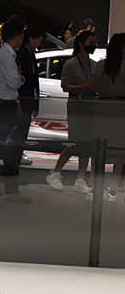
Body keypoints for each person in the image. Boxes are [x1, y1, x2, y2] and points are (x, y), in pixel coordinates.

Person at [45, 29, 99, 193]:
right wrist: (84, 87)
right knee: (74, 141)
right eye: (91, 43)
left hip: (91, 106)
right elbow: (65, 86)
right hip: (76, 106)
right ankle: (55, 172)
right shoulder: (70, 64)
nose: (94, 46)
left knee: (87, 143)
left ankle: (80, 179)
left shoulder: (94, 64)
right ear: (81, 44)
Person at [0, 19, 30, 203]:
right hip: (4, 105)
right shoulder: (6, 56)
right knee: (9, 147)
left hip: (5, 103)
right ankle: (9, 190)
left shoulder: (5, 54)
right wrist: (21, 79)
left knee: (1, 146)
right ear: (17, 36)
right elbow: (14, 82)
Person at [92, 33, 125, 201]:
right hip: (121, 108)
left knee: (100, 148)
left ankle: (96, 187)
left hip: (102, 107)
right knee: (120, 149)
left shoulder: (100, 65)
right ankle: (113, 189)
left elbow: (94, 86)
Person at [16, 26, 45, 169]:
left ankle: (18, 153)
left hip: (29, 99)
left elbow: (34, 80)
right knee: (19, 129)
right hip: (22, 99)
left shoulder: (31, 54)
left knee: (24, 129)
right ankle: (15, 154)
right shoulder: (21, 54)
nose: (40, 43)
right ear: (31, 39)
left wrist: (36, 103)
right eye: (38, 40)